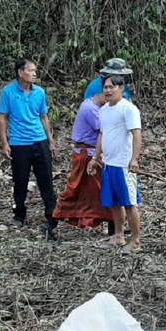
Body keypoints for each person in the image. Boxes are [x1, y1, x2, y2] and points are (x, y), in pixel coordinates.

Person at [0, 59, 58, 240]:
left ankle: (52, 217)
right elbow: (3, 117)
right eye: (31, 71)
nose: (34, 74)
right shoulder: (8, 92)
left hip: (39, 141)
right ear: (20, 72)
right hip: (19, 143)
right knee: (20, 181)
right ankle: (19, 214)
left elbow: (44, 117)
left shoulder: (39, 92)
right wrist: (4, 142)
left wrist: (51, 140)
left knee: (46, 180)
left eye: (35, 71)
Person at [88, 75, 143, 251]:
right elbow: (102, 135)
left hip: (123, 164)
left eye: (112, 87)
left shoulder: (128, 109)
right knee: (114, 202)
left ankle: (135, 240)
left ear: (121, 88)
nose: (108, 90)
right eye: (105, 87)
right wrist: (95, 158)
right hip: (108, 163)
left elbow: (136, 134)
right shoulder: (103, 110)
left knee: (129, 202)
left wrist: (134, 158)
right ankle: (118, 236)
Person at [53, 84, 115, 232]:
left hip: (94, 154)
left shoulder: (97, 108)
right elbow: (105, 129)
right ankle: (52, 222)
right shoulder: (90, 109)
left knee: (105, 190)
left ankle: (114, 226)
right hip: (86, 155)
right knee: (74, 190)